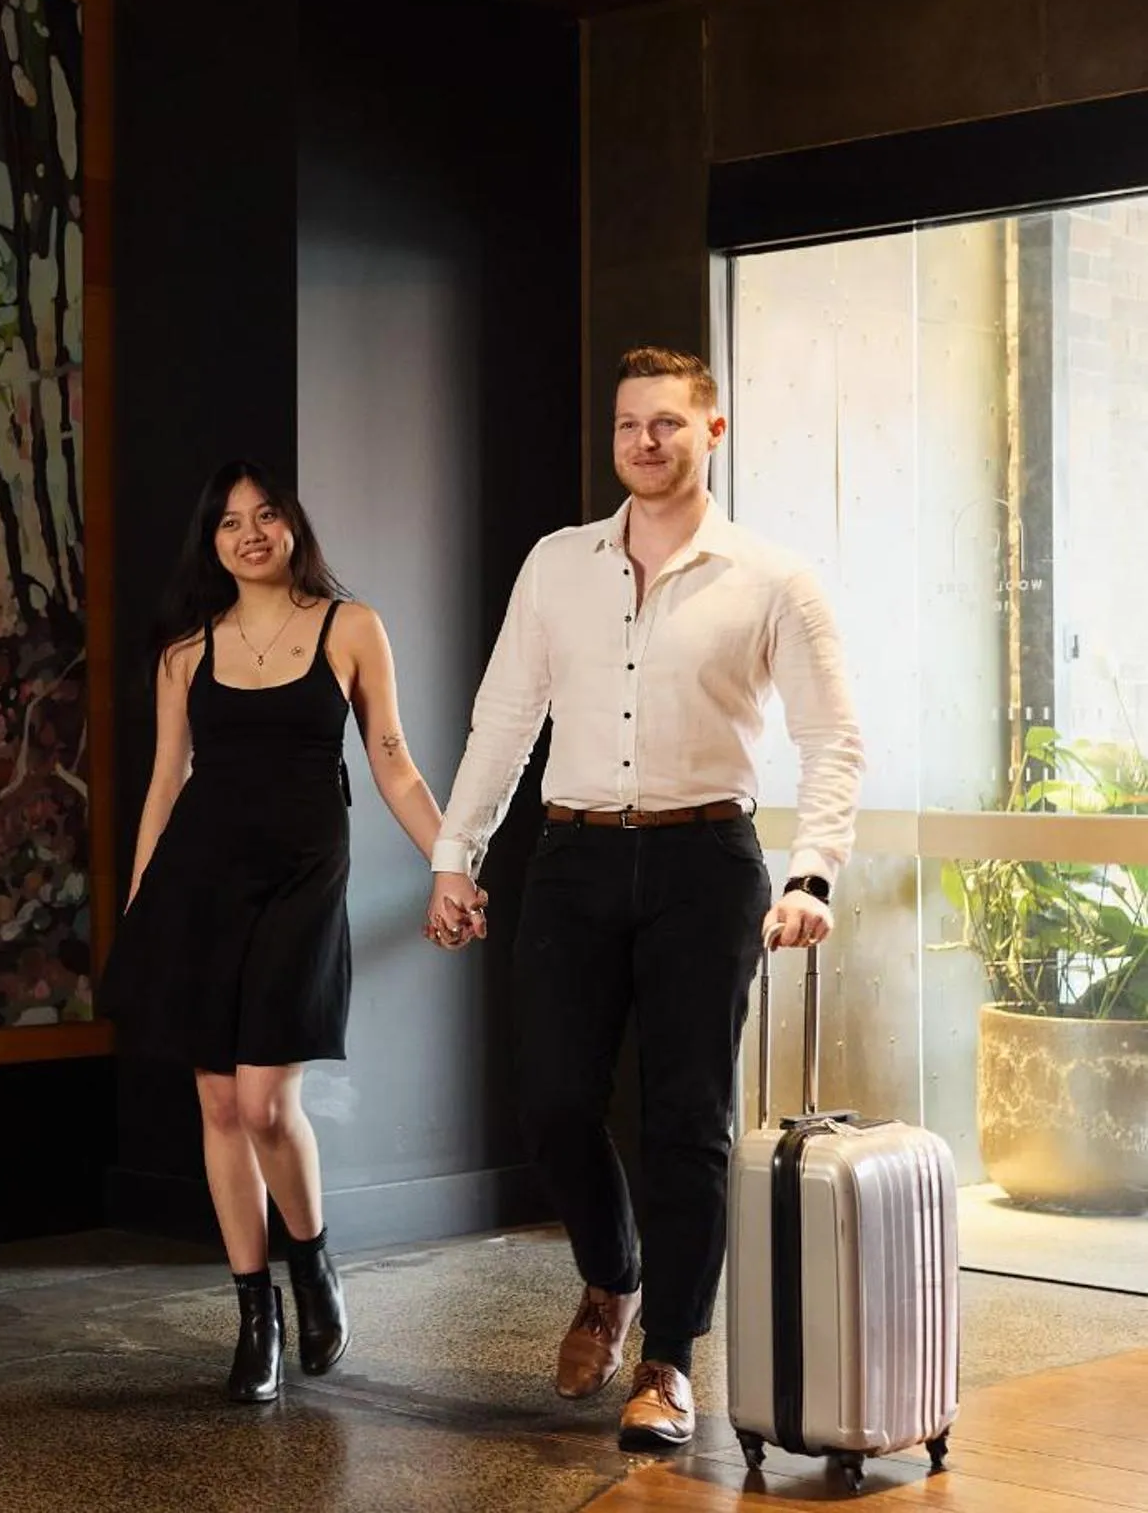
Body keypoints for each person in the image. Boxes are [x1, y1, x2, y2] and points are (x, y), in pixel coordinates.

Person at [426, 346, 864, 1451]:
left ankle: (667, 1357)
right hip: (570, 861)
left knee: (687, 1121)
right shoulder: (554, 564)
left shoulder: (772, 577)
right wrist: (454, 854)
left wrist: (812, 871)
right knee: (554, 1099)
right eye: (628, 424)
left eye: (667, 423)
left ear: (711, 433)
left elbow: (831, 738)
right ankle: (611, 1274)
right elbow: (503, 720)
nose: (644, 442)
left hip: (704, 864)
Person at [103, 460, 450, 1403]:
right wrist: (141, 901)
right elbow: (166, 781)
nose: (248, 533)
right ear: (210, 543)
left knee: (264, 1102)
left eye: (265, 515)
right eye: (228, 522)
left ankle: (315, 1262)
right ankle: (255, 1313)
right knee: (218, 1105)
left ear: (293, 524)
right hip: (197, 884)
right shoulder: (187, 652)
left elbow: (396, 766)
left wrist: (451, 861)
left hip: (302, 879)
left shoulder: (351, 626)